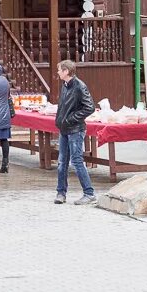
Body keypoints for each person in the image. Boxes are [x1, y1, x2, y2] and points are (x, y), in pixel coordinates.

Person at [54, 59, 96, 205]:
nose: (58, 72)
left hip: (75, 129)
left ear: (66, 71)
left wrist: (71, 119)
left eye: (59, 70)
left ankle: (89, 193)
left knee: (76, 161)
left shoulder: (79, 86)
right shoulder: (65, 85)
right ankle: (61, 192)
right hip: (64, 129)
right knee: (61, 162)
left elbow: (89, 107)